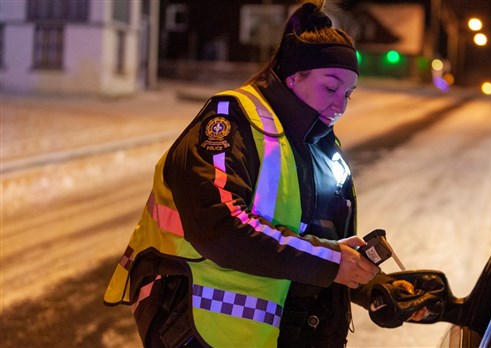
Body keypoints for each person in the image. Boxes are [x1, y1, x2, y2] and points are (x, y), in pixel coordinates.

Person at [104, 1, 440, 347]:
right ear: (294, 75)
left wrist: (371, 286)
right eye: (330, 87)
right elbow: (218, 226)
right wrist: (331, 262)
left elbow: (309, 240)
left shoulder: (318, 145)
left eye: (348, 95)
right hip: (203, 331)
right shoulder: (230, 120)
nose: (339, 105)